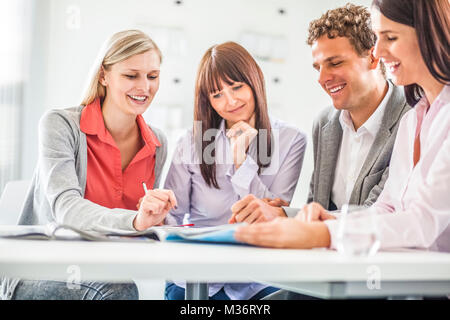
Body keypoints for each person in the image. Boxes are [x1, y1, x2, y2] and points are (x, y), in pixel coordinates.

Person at [235, 0, 450, 253]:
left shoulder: (412, 114)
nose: (379, 52)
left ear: (429, 34)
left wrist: (323, 233)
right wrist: (298, 219)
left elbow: (424, 223)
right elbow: (387, 209)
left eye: (390, 37)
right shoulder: (412, 121)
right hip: (393, 275)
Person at [0, 30, 176, 300]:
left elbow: (140, 229)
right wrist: (135, 220)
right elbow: (66, 210)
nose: (145, 87)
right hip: (42, 272)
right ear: (104, 75)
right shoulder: (60, 125)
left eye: (152, 76)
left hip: (107, 271)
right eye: (131, 76)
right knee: (119, 290)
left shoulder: (157, 143)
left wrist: (157, 217)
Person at [230, 3, 410, 223]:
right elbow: (316, 207)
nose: (322, 78)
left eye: (334, 63)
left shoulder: (410, 118)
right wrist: (282, 213)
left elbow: (382, 213)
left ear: (373, 58)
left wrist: (284, 215)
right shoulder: (325, 124)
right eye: (318, 68)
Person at [163, 41, 307, 300]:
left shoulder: (291, 139)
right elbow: (172, 215)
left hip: (258, 279)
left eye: (237, 87)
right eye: (217, 94)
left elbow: (272, 213)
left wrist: (242, 161)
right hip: (196, 277)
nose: (230, 101)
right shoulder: (192, 141)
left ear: (255, 81)